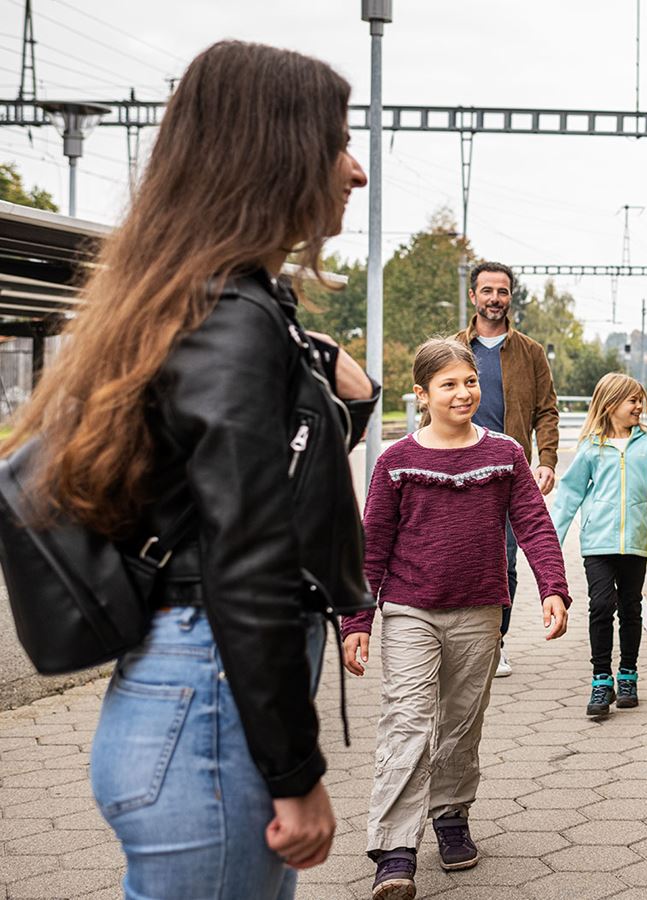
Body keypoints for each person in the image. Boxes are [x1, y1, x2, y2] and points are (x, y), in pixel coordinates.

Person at [0, 41, 377, 898]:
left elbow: (261, 484)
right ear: (273, 152)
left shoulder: (206, 301)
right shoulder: (230, 315)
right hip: (211, 715)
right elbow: (245, 559)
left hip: (195, 705)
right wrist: (296, 773)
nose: (354, 172)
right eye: (336, 144)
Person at [340, 338, 570, 899]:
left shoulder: (505, 453)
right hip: (409, 610)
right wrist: (356, 622)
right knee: (408, 721)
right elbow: (373, 545)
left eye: (470, 381)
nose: (464, 392)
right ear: (422, 394)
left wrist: (552, 588)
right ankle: (395, 848)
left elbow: (534, 525)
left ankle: (450, 815)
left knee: (462, 725)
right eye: (448, 384)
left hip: (480, 609)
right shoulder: (397, 461)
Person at [548, 373, 647, 717]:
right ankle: (601, 679)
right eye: (632, 400)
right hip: (597, 543)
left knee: (631, 608)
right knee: (601, 606)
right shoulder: (591, 448)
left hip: (635, 542)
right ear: (611, 404)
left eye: (640, 400)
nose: (639, 406)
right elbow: (569, 495)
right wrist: (552, 541)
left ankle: (628, 674)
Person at [452, 262, 561, 678]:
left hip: (509, 473)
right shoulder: (455, 350)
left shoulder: (530, 352)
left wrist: (546, 460)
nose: (495, 298)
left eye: (503, 291)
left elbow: (546, 411)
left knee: (505, 563)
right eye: (487, 291)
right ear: (473, 296)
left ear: (510, 296)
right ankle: (460, 640)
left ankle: (495, 642)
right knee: (460, 557)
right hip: (460, 470)